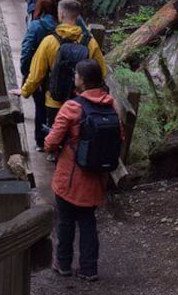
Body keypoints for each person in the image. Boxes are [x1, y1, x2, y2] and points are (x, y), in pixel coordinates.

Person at [44, 58, 122, 282]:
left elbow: (51, 141)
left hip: (70, 176)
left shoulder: (73, 107)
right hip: (97, 176)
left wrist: (55, 146)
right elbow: (120, 137)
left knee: (66, 220)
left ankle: (63, 263)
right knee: (88, 221)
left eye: (76, 75)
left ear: (83, 80)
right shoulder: (112, 105)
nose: (74, 78)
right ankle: (89, 268)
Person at [9, 0, 107, 147]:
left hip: (54, 100)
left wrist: (24, 91)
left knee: (55, 133)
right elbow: (101, 72)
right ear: (77, 16)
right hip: (80, 102)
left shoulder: (49, 41)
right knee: (76, 136)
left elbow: (36, 74)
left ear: (60, 14)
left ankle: (51, 151)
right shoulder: (90, 43)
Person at [20, 0, 59, 150]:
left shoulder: (36, 26)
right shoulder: (61, 26)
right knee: (55, 107)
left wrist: (26, 71)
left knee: (40, 107)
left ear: (39, 9)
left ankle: (41, 141)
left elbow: (26, 50)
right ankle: (55, 141)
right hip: (57, 75)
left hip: (39, 73)